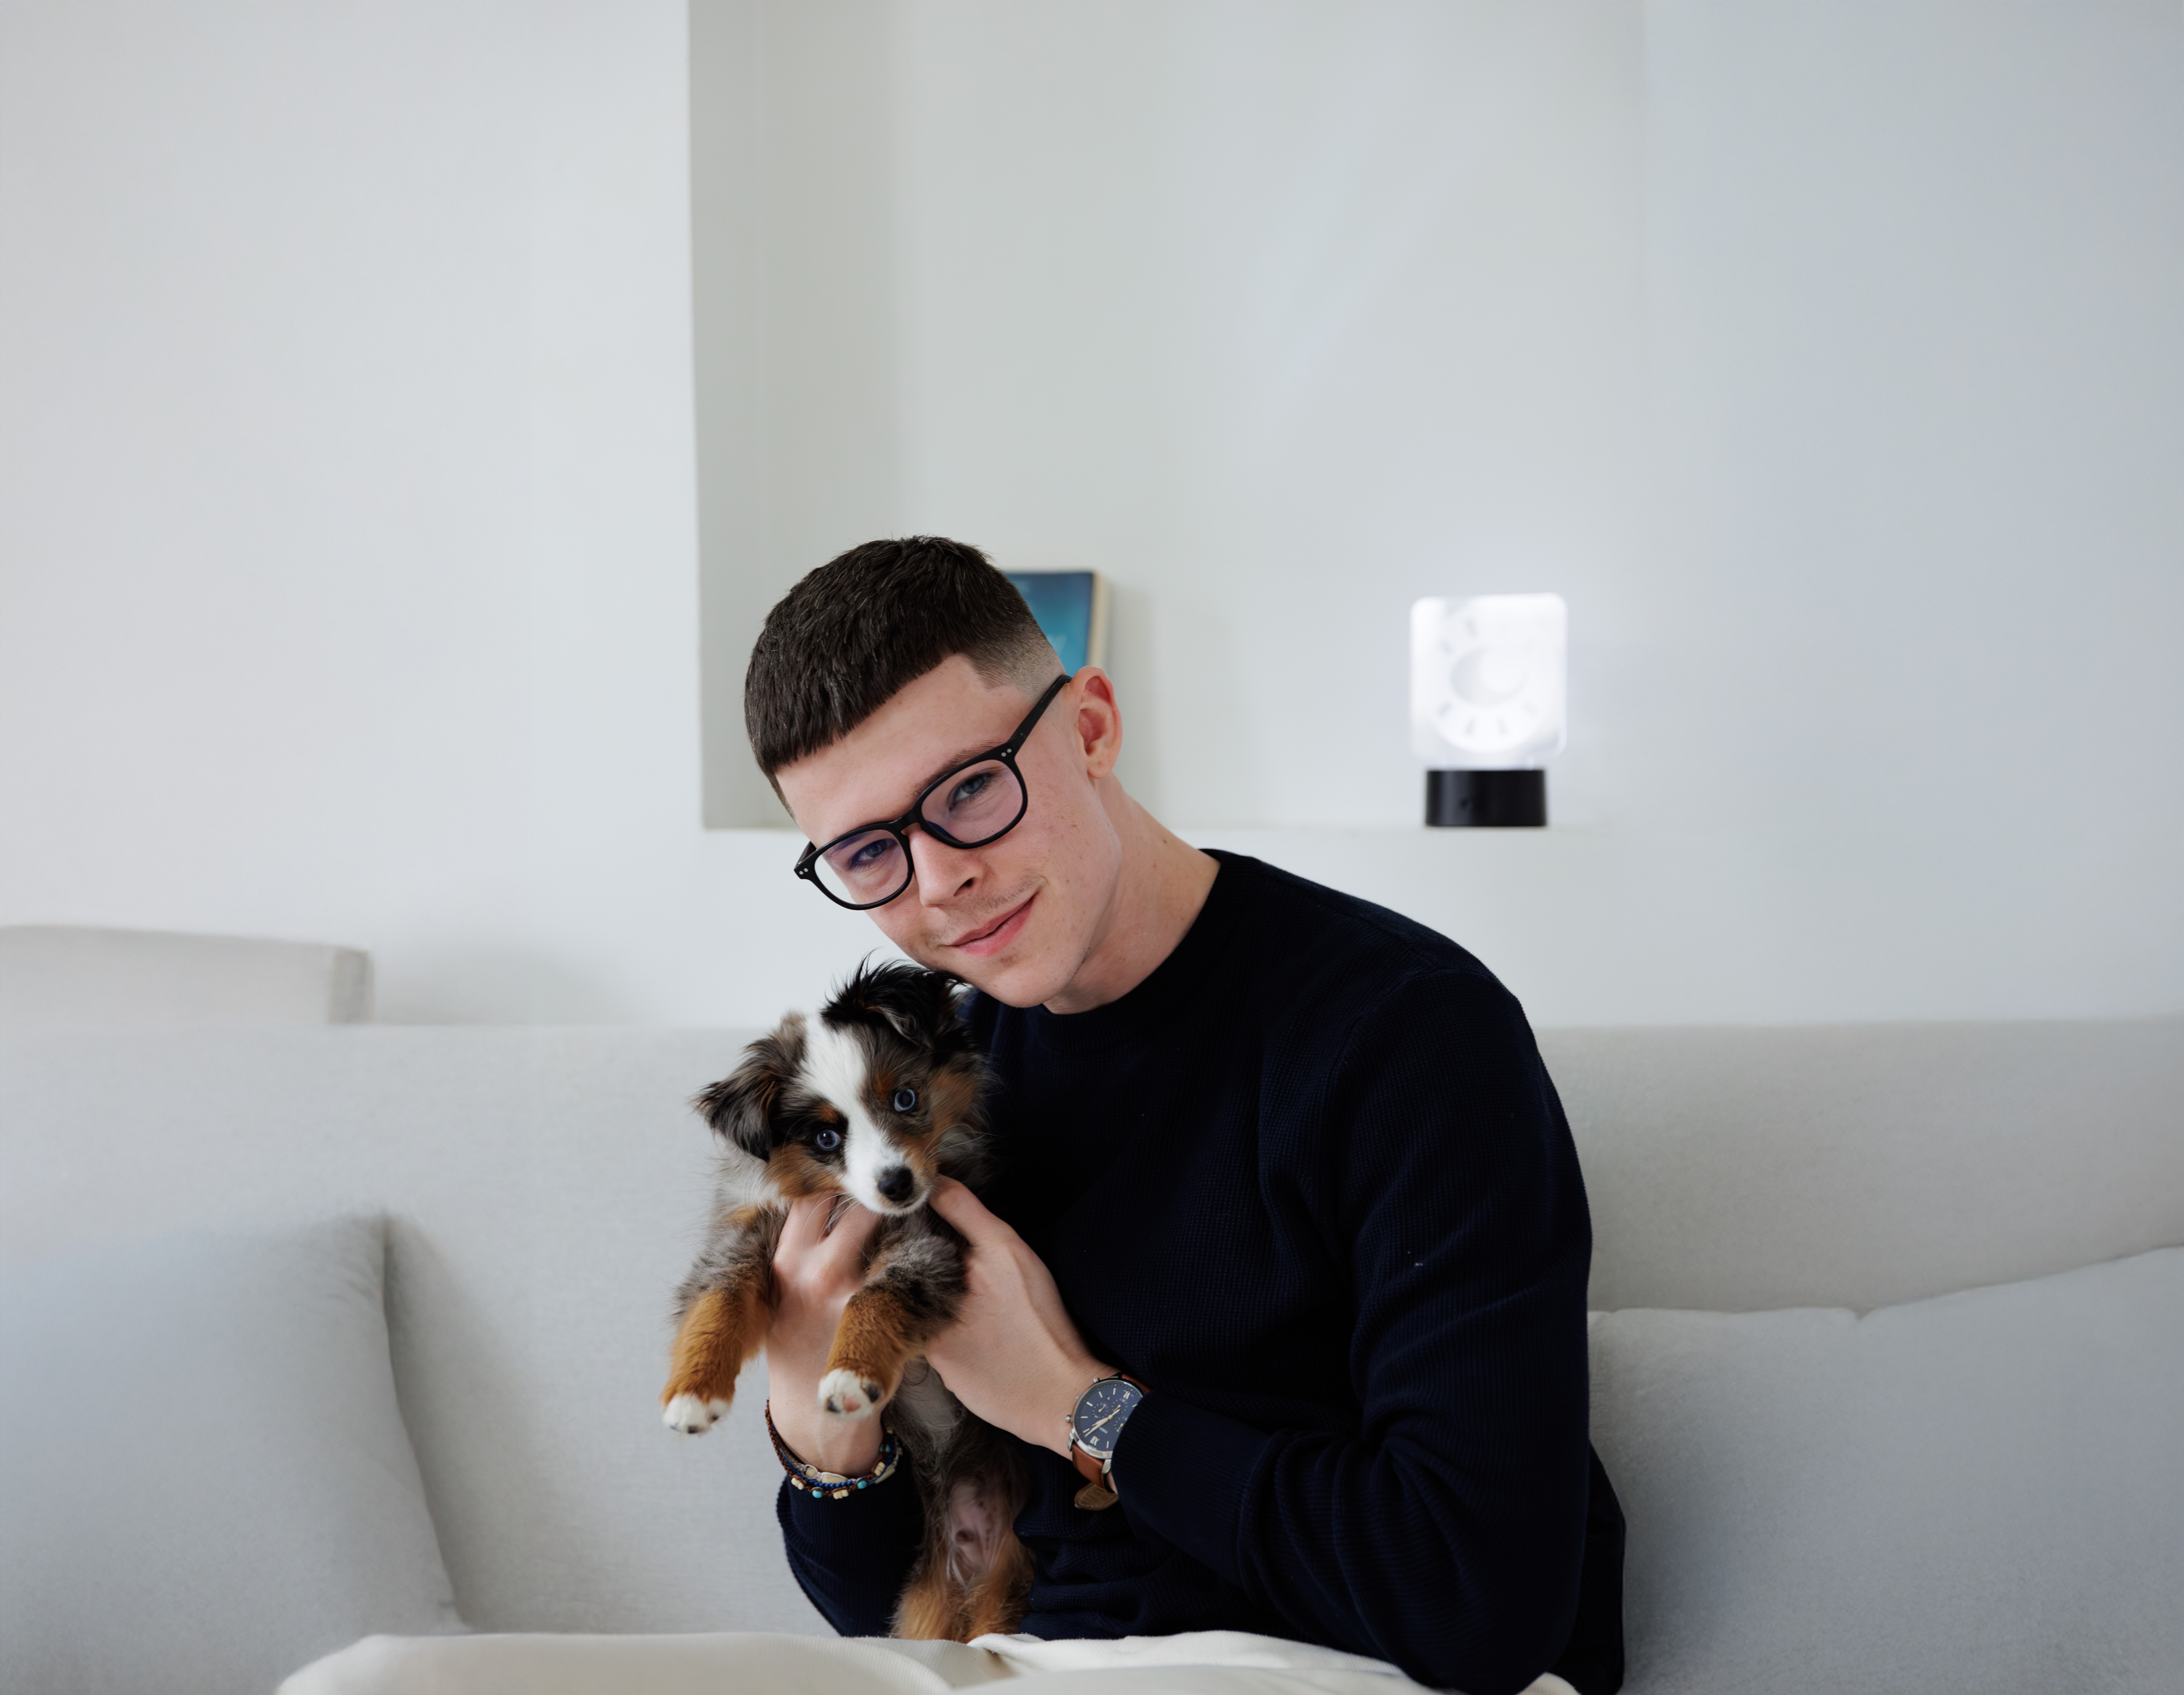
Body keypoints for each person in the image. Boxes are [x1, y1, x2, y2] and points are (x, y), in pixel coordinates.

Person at [745, 536, 1624, 1695]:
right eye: (868, 851)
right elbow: (899, 1619)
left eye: (968, 791)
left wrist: (1074, 1403)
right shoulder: (939, 1095)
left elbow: (1479, 1605)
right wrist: (824, 1436)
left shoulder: (1408, 1034)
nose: (937, 879)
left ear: (1093, 729)